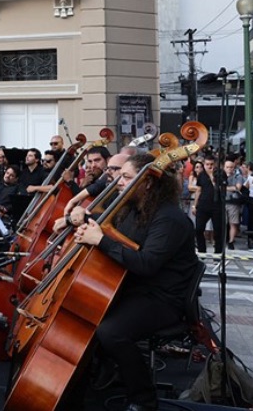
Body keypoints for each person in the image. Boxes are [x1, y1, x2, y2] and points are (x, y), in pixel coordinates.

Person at [73, 153, 200, 411]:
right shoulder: (133, 209)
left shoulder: (170, 219)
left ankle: (143, 399)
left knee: (111, 331)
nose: (119, 182)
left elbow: (146, 263)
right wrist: (79, 222)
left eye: (126, 177)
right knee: (84, 310)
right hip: (136, 288)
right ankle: (95, 378)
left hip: (163, 298)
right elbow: (111, 235)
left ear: (148, 182)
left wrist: (100, 240)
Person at [188, 156, 223, 253]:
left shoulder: (219, 174)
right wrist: (195, 205)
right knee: (199, 229)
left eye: (211, 164)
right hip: (203, 205)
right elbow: (199, 190)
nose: (209, 166)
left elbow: (220, 188)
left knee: (218, 230)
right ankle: (202, 250)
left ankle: (218, 252)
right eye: (207, 164)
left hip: (216, 205)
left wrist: (212, 177)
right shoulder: (201, 175)